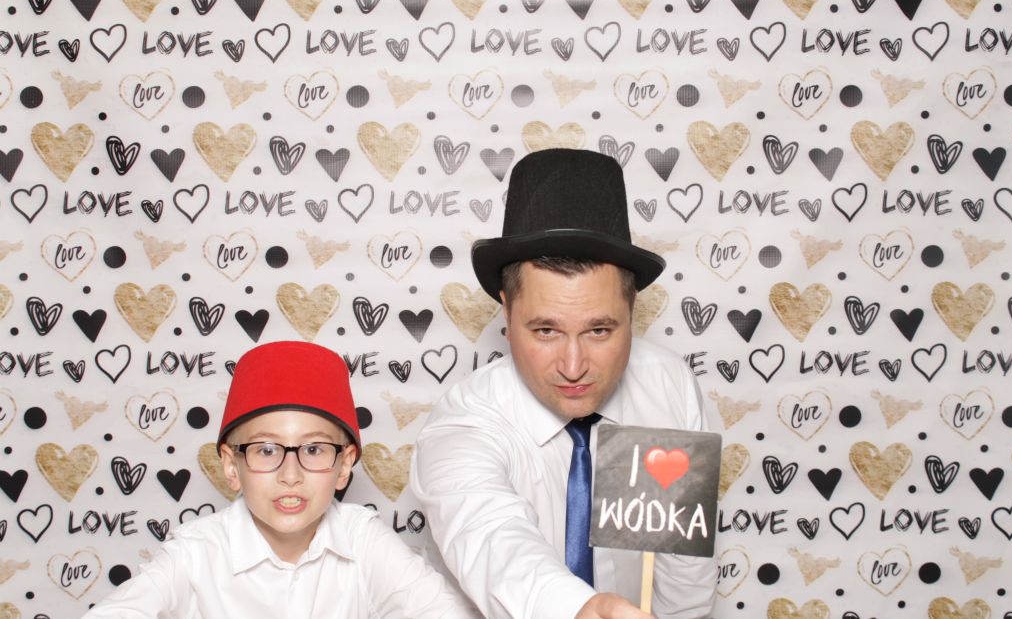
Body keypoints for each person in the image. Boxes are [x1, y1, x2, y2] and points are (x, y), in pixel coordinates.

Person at [411, 149, 716, 619]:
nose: (573, 367)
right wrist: (577, 608)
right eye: (546, 331)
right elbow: (491, 536)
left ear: (632, 310)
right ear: (506, 310)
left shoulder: (666, 387)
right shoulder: (466, 422)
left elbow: (682, 570)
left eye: (600, 330)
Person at [85, 340, 473, 618]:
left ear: (344, 465)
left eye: (314, 449)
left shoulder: (363, 539)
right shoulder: (195, 553)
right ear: (231, 466)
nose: (291, 475)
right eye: (267, 450)